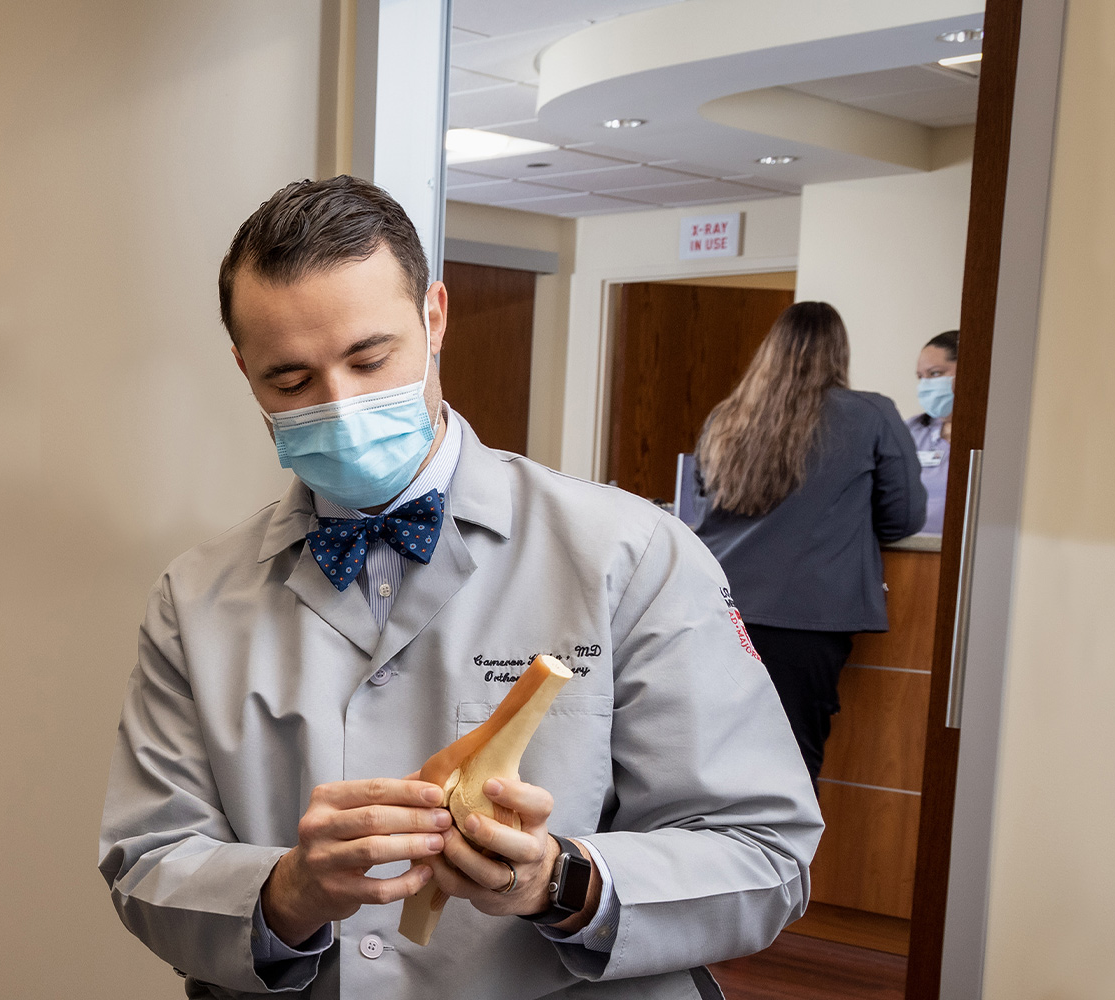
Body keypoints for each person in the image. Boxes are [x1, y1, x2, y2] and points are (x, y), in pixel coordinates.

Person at [98, 176, 821, 1000]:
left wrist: (562, 881)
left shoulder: (632, 553)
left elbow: (765, 853)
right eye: (291, 383)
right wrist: (288, 893)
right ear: (243, 370)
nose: (342, 405)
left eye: (371, 358)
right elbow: (148, 861)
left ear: (434, 317)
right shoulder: (194, 600)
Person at [693, 302, 926, 783]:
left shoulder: (728, 416)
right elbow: (904, 517)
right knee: (790, 765)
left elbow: (703, 495)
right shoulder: (871, 413)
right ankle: (780, 862)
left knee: (709, 757)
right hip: (806, 618)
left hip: (715, 604)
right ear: (839, 353)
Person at [909, 329, 959, 534]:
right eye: (921, 377)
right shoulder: (911, 432)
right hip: (912, 556)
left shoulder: (995, 437)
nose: (926, 384)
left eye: (935, 373)